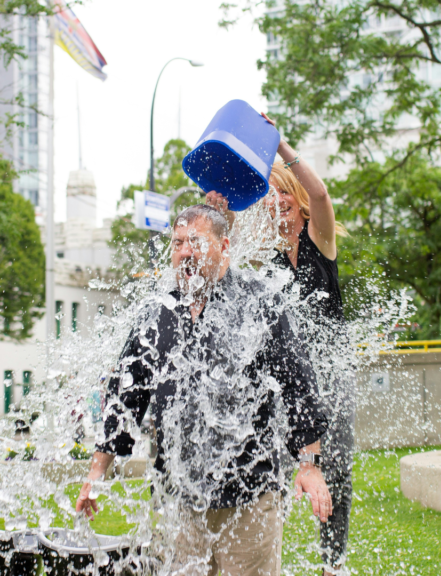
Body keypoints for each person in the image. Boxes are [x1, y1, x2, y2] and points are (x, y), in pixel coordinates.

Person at [76, 205, 332, 576]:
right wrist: (96, 472)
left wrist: (309, 466)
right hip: (178, 497)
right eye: (178, 243)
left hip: (250, 495)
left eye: (196, 242)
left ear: (224, 245)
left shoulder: (258, 302)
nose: (185, 252)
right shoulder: (158, 312)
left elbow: (298, 384)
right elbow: (125, 397)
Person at [207, 113, 354, 576]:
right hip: (290, 381)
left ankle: (334, 564)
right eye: (271, 200)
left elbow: (323, 195)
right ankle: (267, 555)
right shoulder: (267, 265)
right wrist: (221, 214)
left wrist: (282, 148)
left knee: (335, 470)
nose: (279, 206)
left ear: (298, 201)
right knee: (273, 465)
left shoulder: (319, 242)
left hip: (331, 378)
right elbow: (224, 269)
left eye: (285, 197)